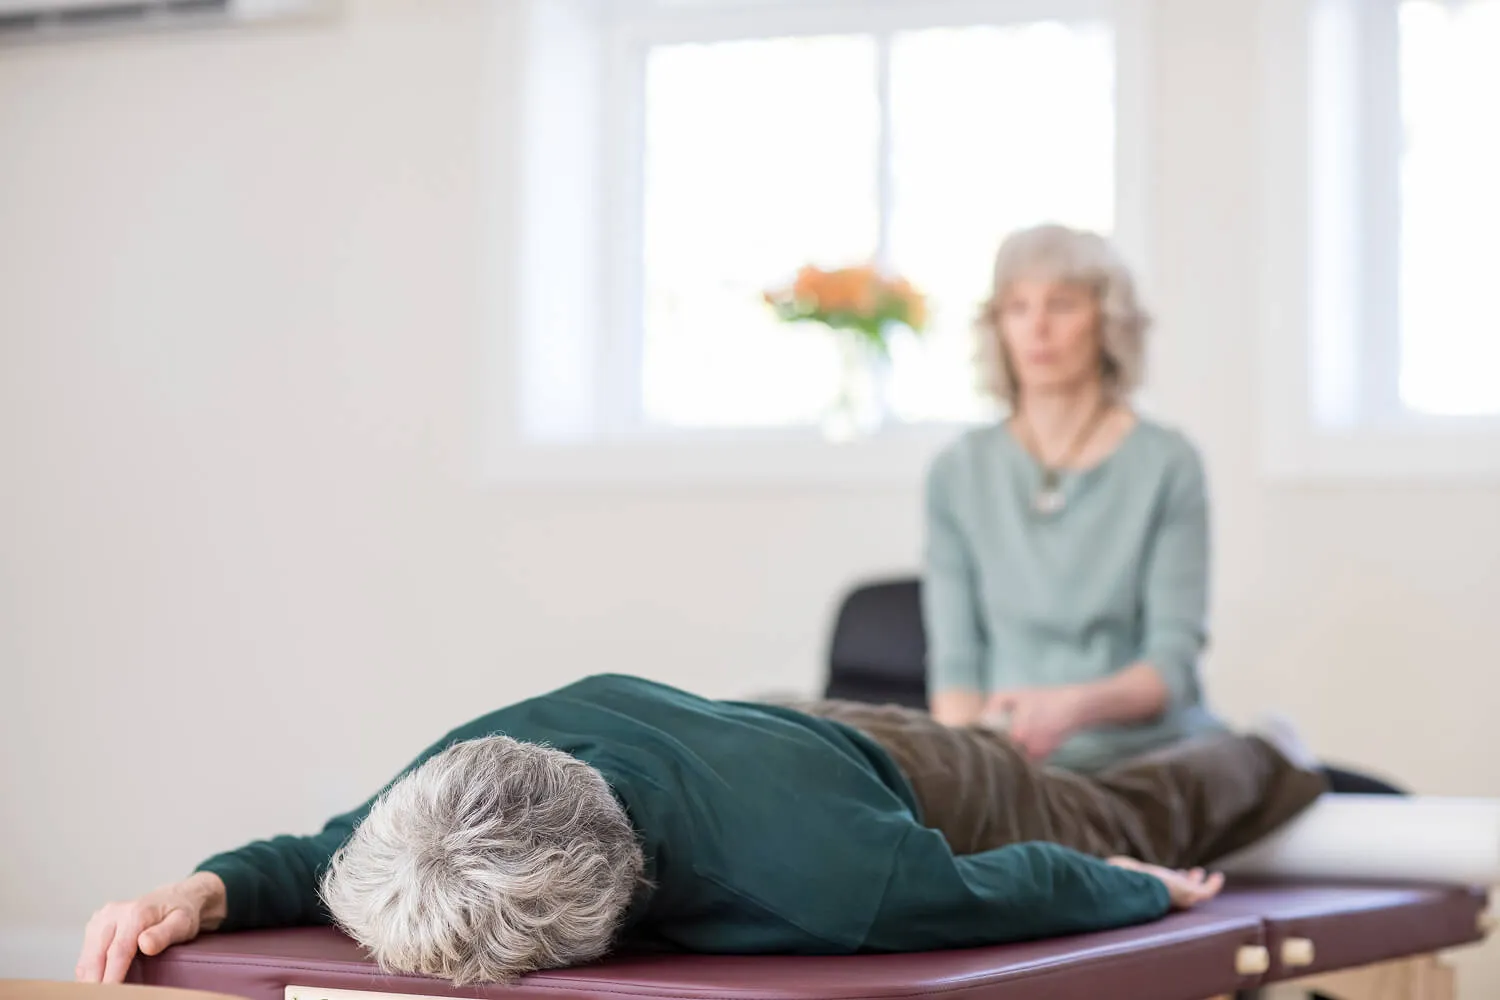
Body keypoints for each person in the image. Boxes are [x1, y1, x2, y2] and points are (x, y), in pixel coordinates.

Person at [76, 673, 1328, 987]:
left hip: (930, 778)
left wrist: (1138, 891)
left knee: (1130, 805)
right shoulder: (457, 786)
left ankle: (1278, 745)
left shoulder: (837, 879)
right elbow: (322, 852)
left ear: (614, 907)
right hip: (762, 731)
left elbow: (1006, 890)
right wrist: (202, 890)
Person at [921, 223, 1401, 795]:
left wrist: (1072, 709)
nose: (1038, 328)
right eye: (1017, 307)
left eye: (1062, 304)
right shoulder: (957, 472)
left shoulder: (1166, 464)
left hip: (1154, 761)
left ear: (1109, 321)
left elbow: (1170, 666)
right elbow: (956, 667)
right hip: (1021, 769)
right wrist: (977, 776)